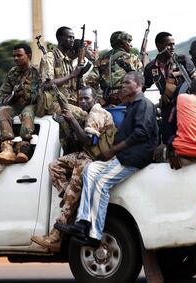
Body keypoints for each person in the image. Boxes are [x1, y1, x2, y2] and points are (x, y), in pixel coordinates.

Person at [55, 71, 158, 247]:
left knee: (102, 182)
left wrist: (114, 150)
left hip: (135, 157)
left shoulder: (144, 104)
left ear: (138, 85)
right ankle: (82, 223)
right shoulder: (132, 105)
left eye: (127, 83)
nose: (123, 86)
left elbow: (141, 134)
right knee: (90, 169)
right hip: (124, 156)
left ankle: (94, 235)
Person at [31, 86, 117, 251]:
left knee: (73, 189)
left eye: (87, 99)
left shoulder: (96, 114)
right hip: (87, 154)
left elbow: (88, 141)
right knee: (54, 166)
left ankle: (55, 235)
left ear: (95, 99)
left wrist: (71, 120)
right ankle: (72, 200)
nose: (83, 101)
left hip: (95, 157)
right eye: (81, 99)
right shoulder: (88, 113)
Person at [144, 32, 196, 144]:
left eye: (173, 44)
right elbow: (141, 89)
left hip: (186, 108)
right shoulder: (151, 68)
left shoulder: (182, 60)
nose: (173, 47)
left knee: (189, 139)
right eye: (169, 44)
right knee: (170, 141)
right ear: (159, 46)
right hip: (167, 110)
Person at [0, 43, 40, 164]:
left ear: (28, 55)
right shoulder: (12, 73)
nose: (16, 58)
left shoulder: (37, 71)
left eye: (19, 55)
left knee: (27, 113)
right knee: (2, 111)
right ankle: (7, 148)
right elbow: (3, 97)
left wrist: (28, 95)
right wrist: (14, 94)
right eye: (14, 56)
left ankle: (24, 147)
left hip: (33, 105)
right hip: (15, 105)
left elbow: (44, 93)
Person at [36, 26, 85, 116]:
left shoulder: (67, 60)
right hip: (54, 103)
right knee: (83, 115)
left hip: (69, 102)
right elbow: (45, 85)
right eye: (69, 37)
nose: (72, 40)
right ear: (60, 38)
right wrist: (72, 75)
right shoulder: (50, 57)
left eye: (73, 37)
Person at [86, 31, 142, 106]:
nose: (130, 45)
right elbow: (140, 80)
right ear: (122, 44)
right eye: (128, 41)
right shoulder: (131, 58)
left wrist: (99, 98)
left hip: (107, 100)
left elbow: (90, 82)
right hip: (126, 99)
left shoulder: (100, 60)